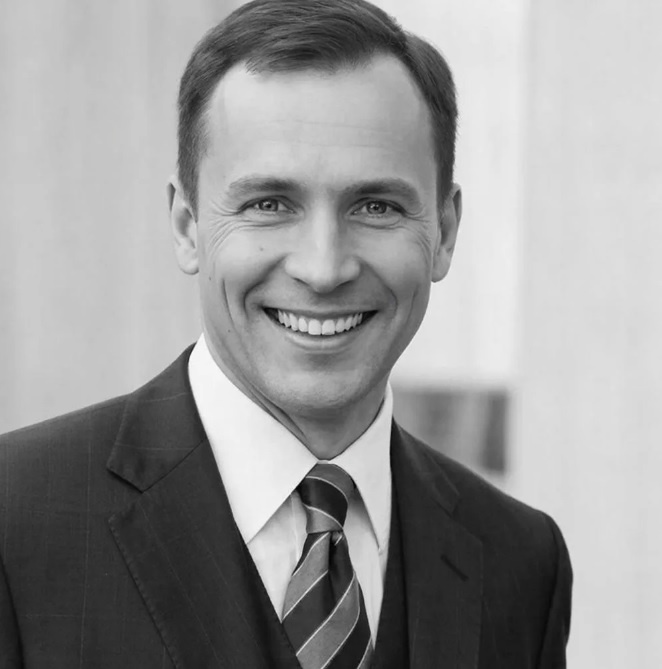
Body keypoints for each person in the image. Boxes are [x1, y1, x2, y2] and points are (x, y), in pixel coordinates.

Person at [0, 0, 572, 667]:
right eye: (269, 204)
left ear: (444, 232)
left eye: (376, 206)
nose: (323, 268)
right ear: (186, 225)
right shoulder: (16, 522)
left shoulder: (520, 562)